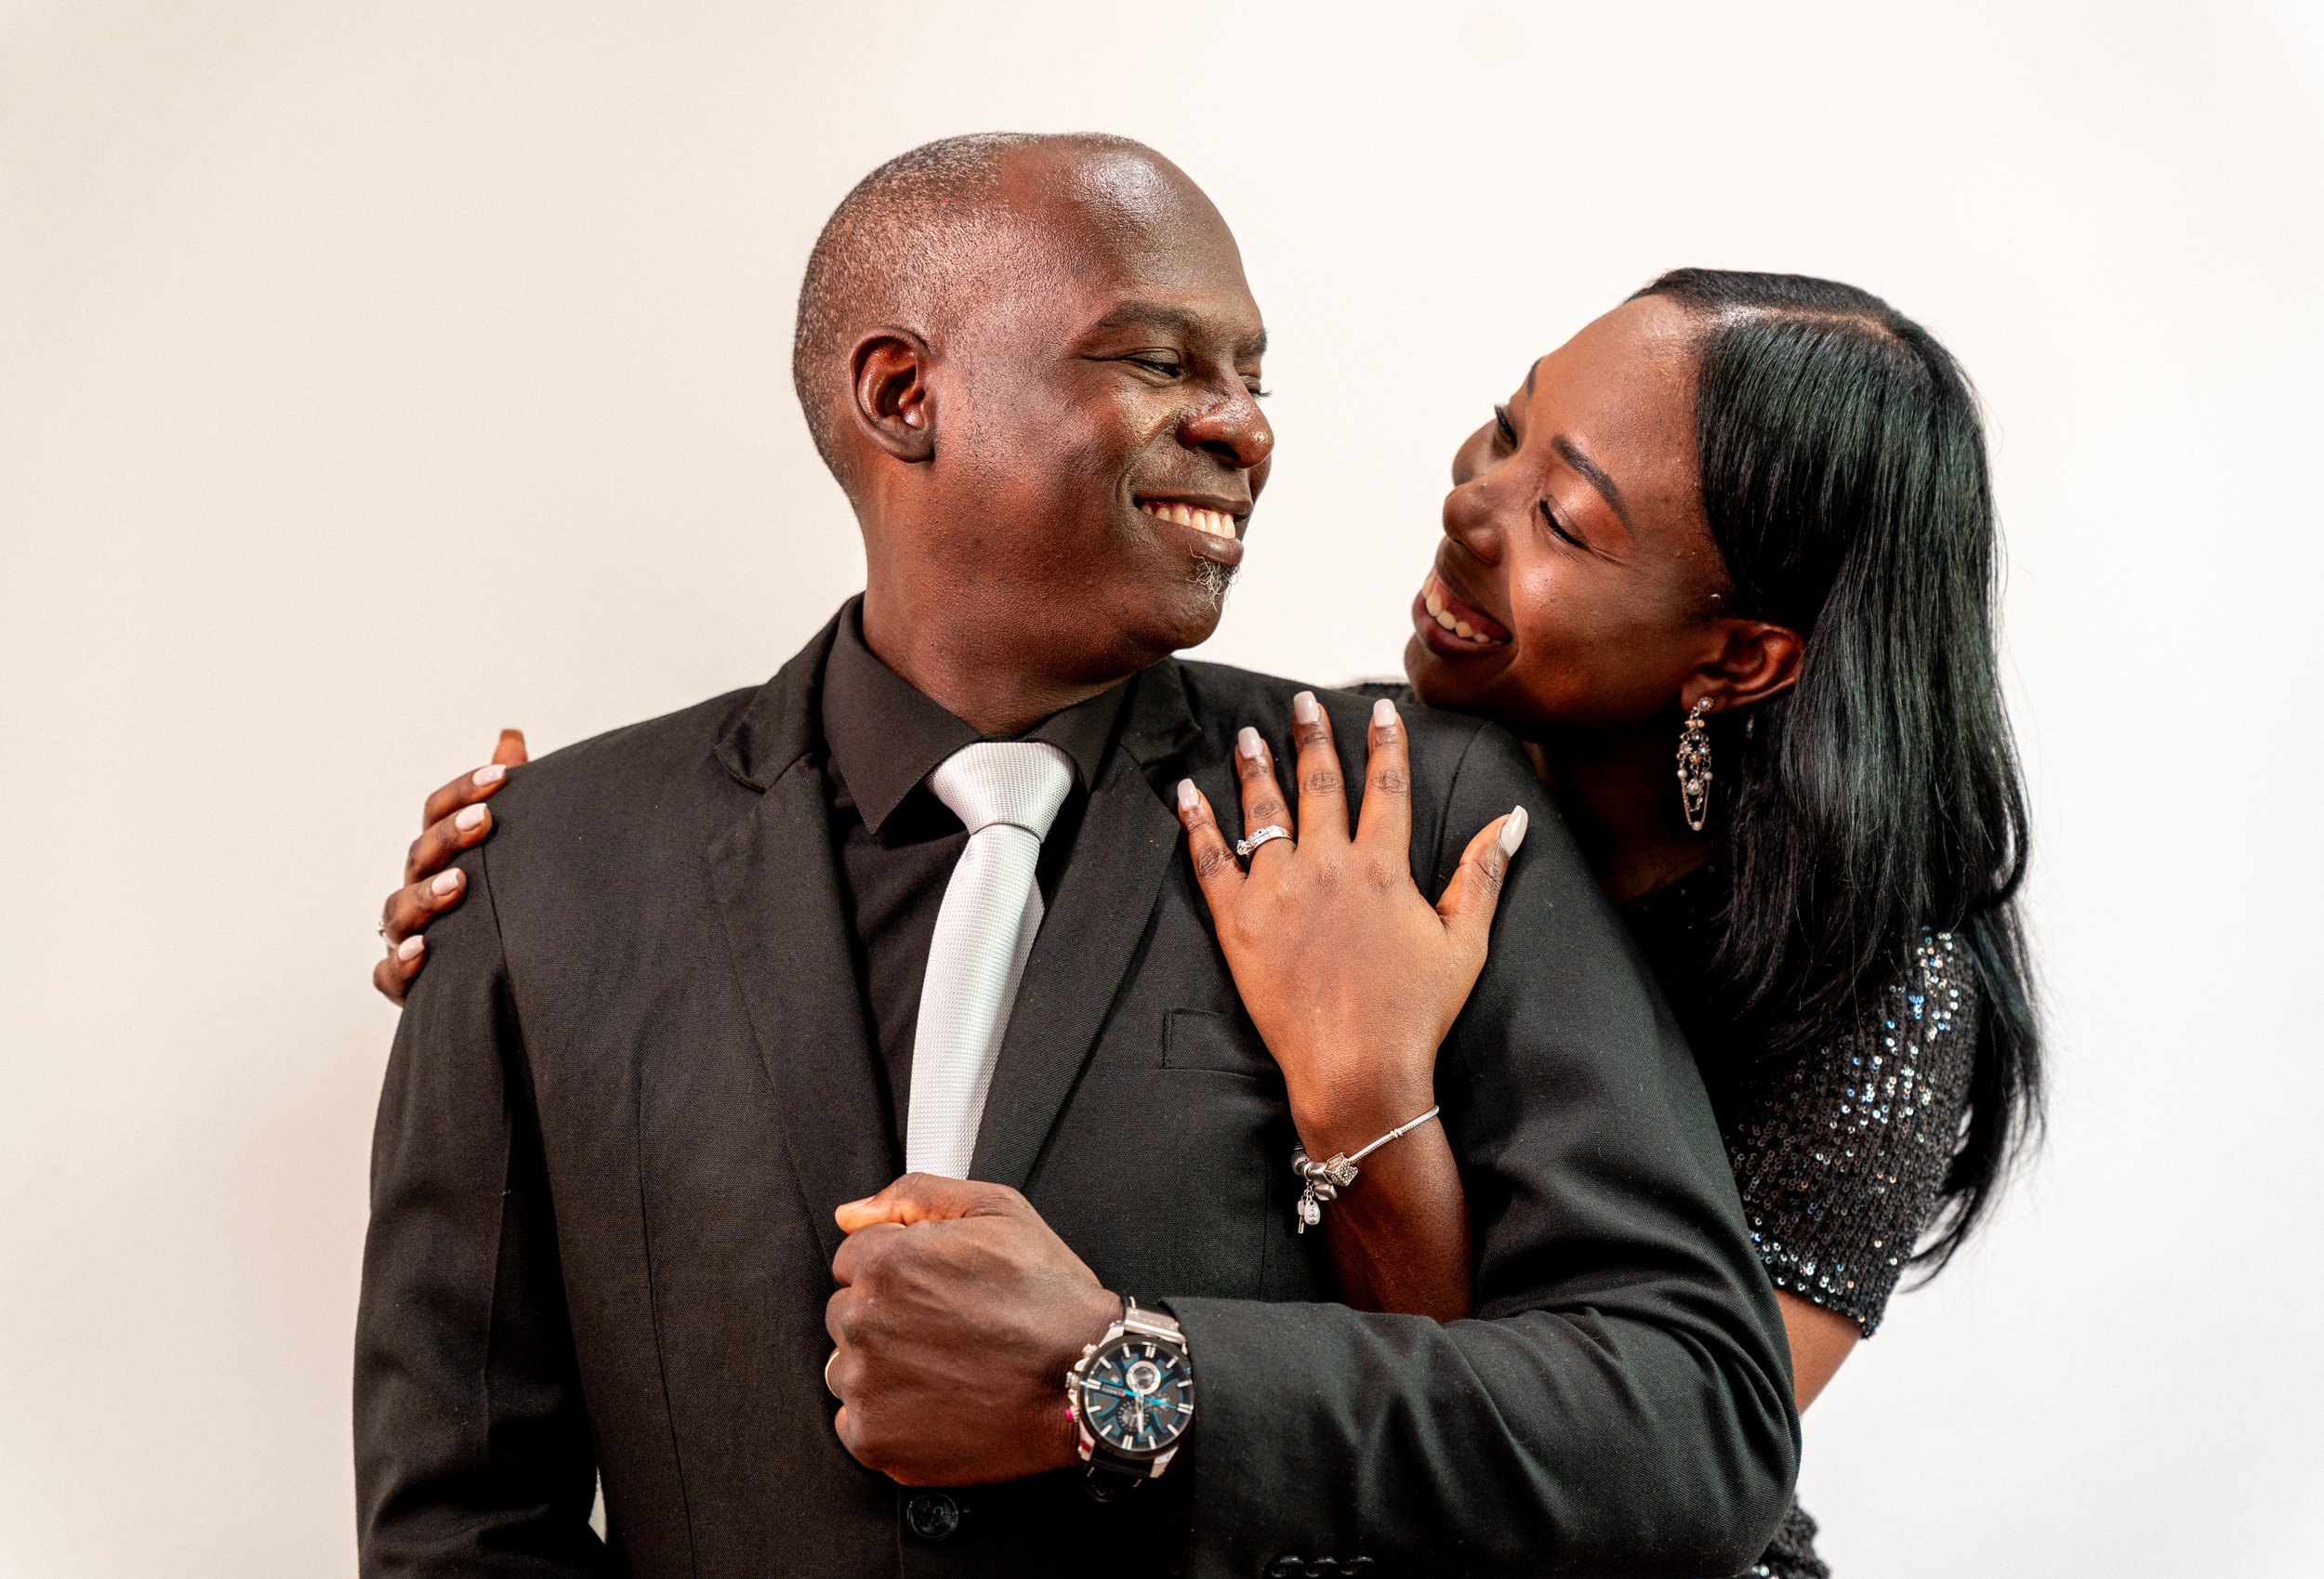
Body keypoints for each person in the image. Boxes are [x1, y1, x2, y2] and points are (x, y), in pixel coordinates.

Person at [384, 266, 2039, 1578]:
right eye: (1501, 432)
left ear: (1738, 656)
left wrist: (1354, 1098)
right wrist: (549, 900)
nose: (1473, 502)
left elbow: (1641, 1478)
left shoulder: (1874, 986)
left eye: (1566, 518)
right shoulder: (1339, 783)